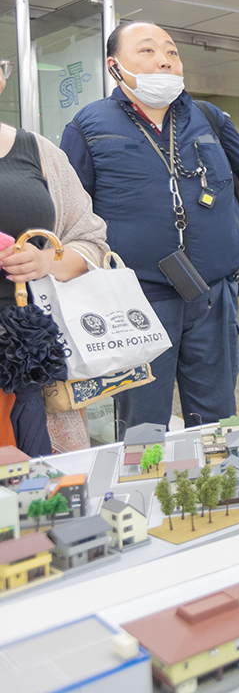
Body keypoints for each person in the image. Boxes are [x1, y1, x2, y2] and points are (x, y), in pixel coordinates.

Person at [62, 22, 239, 430]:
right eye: (147, 50)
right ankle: (145, 491)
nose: (164, 59)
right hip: (137, 302)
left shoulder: (208, 116)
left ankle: (218, 489)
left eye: (172, 52)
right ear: (114, 66)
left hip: (212, 294)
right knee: (143, 423)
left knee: (216, 416)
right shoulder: (89, 125)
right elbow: (71, 214)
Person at [0, 58, 109, 455]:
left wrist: (48, 262)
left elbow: (91, 239)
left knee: (38, 473)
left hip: (27, 348)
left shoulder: (39, 152)